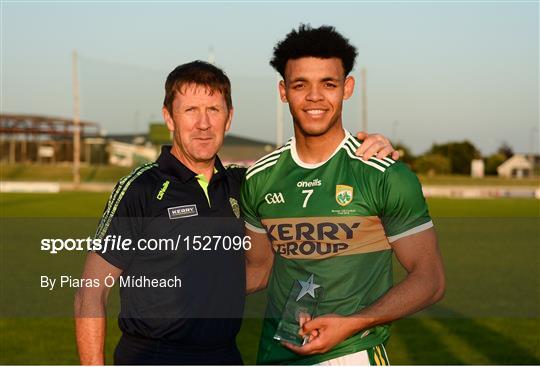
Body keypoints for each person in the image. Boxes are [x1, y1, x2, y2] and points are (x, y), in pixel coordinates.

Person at [74, 60, 397, 365]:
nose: (203, 123)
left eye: (214, 110)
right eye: (190, 111)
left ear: (229, 118)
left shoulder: (245, 186)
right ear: (169, 117)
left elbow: (312, 173)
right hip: (152, 355)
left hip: (224, 355)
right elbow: (91, 292)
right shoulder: (141, 188)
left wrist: (363, 149)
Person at [241, 24, 445, 365]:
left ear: (347, 88)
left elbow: (431, 278)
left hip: (351, 355)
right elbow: (260, 269)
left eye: (328, 84)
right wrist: (185, 286)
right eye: (300, 85)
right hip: (273, 354)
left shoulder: (383, 174)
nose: (315, 97)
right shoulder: (259, 179)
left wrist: (352, 324)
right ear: (283, 91)